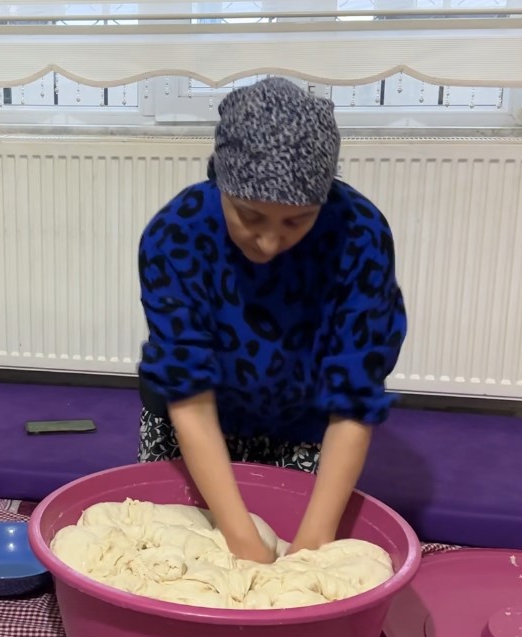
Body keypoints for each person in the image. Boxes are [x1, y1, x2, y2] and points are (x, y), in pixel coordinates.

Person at [136, 78, 408, 564]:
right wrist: (241, 541)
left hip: (303, 422)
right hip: (198, 419)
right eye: (250, 217)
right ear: (221, 180)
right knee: (173, 552)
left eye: (296, 221)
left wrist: (307, 552)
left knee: (309, 537)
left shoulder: (359, 236)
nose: (267, 243)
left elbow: (353, 401)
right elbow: (190, 400)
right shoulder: (175, 235)